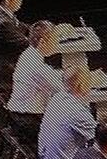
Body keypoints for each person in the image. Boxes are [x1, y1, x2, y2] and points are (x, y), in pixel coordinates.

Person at [6, 21, 64, 154]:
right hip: (28, 122)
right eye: (55, 40)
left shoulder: (28, 54)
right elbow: (64, 90)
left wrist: (68, 74)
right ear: (43, 41)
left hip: (17, 116)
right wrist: (87, 80)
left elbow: (50, 74)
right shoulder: (37, 67)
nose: (57, 44)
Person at [39, 66, 99, 159]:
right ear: (81, 85)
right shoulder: (78, 112)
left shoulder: (56, 98)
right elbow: (102, 136)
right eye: (89, 80)